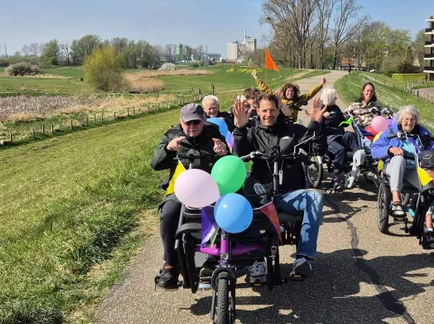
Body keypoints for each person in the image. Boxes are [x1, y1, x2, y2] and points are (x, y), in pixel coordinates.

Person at [232, 93, 325, 280]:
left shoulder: (293, 130)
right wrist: (240, 129)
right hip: (261, 195)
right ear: (258, 111)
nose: (268, 114)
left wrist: (315, 125)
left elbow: (316, 150)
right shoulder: (252, 133)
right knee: (241, 204)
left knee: (315, 197)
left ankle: (303, 258)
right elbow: (238, 155)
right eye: (264, 110)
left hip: (288, 194)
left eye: (272, 110)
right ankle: (256, 260)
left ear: (278, 110)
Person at [150, 103, 229, 289]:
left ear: (203, 120)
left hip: (209, 187)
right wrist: (168, 149)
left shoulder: (214, 134)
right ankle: (170, 265)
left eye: (196, 122)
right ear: (181, 121)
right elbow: (155, 164)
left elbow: (228, 162)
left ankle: (212, 258)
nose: (192, 126)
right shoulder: (171, 135)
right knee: (169, 213)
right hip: (181, 189)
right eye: (187, 123)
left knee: (219, 212)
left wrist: (224, 152)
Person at [371, 106, 434, 248]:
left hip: (415, 170)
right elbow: (374, 150)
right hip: (394, 167)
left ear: (416, 120)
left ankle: (429, 229)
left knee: (428, 188)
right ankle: (396, 201)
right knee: (399, 159)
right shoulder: (390, 132)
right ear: (400, 120)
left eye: (412, 119)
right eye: (406, 119)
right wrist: (390, 149)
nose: (409, 122)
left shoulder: (423, 133)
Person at [317, 88, 360, 190]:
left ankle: (358, 158)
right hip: (328, 138)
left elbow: (343, 122)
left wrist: (350, 117)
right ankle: (335, 174)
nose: (336, 98)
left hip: (339, 135)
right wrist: (323, 117)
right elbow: (317, 124)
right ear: (329, 98)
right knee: (340, 149)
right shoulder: (321, 109)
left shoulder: (336, 108)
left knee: (350, 135)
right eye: (334, 96)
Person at [251, 69, 326, 122]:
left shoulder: (298, 100)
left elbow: (309, 94)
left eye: (292, 91)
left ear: (294, 93)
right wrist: (256, 78)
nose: (290, 93)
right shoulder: (278, 98)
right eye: (288, 91)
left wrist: (320, 85)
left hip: (292, 124)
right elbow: (266, 89)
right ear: (284, 92)